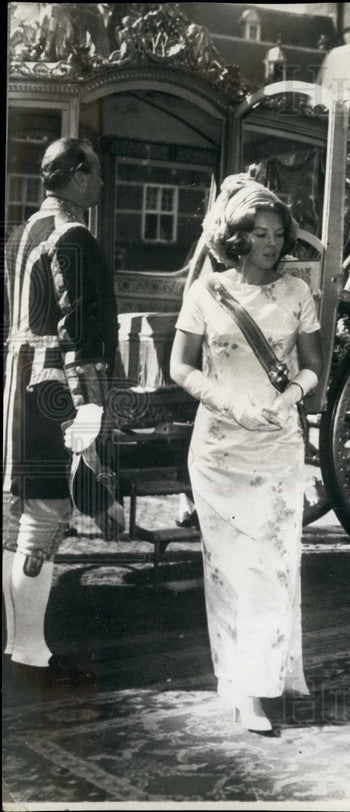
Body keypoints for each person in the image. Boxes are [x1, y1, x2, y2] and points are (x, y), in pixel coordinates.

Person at [169, 174, 321, 737]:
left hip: (278, 444)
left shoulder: (298, 294)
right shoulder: (207, 292)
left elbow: (314, 369)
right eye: (259, 233)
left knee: (273, 565)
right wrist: (227, 398)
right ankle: (241, 686)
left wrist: (288, 399)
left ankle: (264, 676)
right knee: (231, 569)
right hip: (218, 450)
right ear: (236, 236)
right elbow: (179, 367)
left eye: (278, 233)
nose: (271, 243)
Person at [2, 137, 114, 688]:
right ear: (73, 176)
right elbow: (85, 333)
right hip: (54, 389)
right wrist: (90, 410)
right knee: (44, 516)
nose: (100, 183)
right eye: (93, 174)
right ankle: (30, 652)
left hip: (19, 382)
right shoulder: (74, 237)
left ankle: (18, 643)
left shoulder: (24, 232)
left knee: (20, 518)